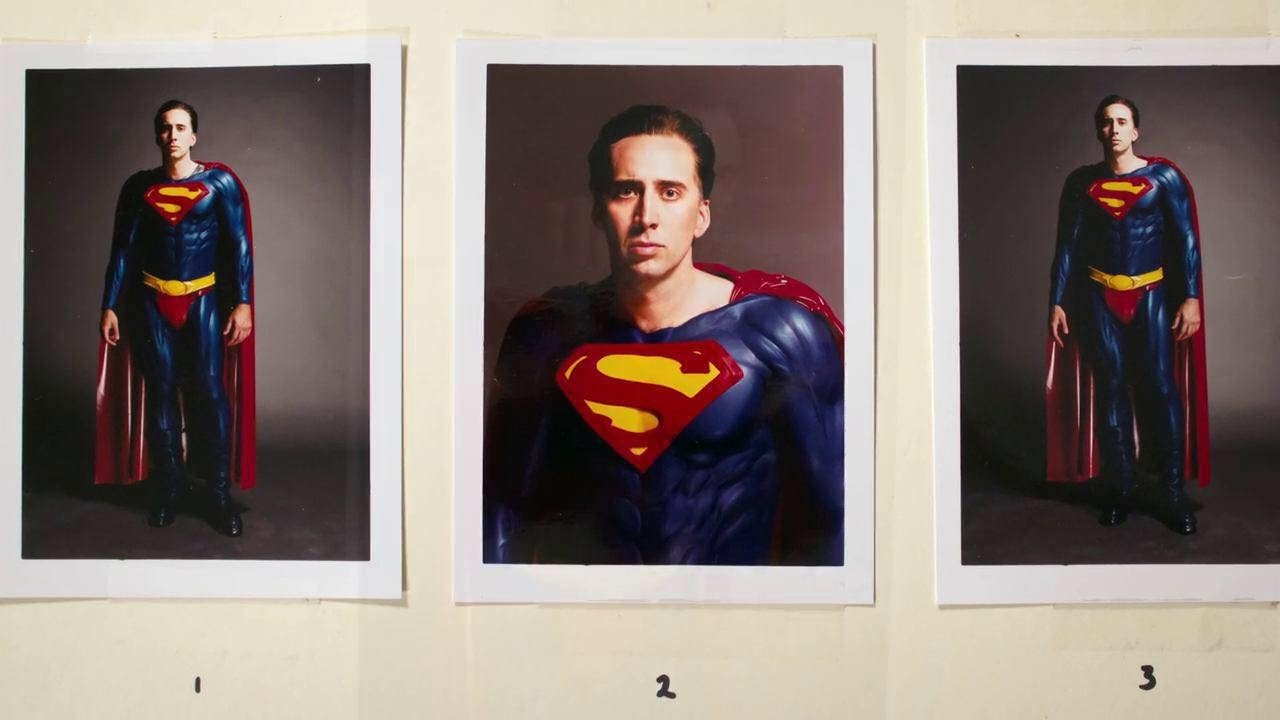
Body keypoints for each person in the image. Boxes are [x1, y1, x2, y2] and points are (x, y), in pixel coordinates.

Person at [483, 104, 844, 565]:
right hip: (588, 606)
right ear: (598, 210)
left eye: (670, 192)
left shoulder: (779, 334)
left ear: (701, 215)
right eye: (626, 191)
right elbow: (500, 515)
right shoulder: (545, 335)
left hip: (732, 605)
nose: (646, 216)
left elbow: (835, 522)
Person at [1046, 94, 1211, 535]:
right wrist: (1057, 301)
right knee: (1111, 388)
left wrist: (1191, 297)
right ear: (1098, 131)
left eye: (1122, 121)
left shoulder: (1163, 179)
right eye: (1106, 122)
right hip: (1099, 298)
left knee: (1160, 386)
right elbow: (1067, 245)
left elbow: (1186, 239)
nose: (1114, 129)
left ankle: (1172, 492)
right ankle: (1119, 489)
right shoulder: (1081, 183)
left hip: (1151, 295)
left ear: (1135, 130)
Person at [95, 99, 257, 537]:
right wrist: (110, 305)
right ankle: (168, 488)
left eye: (181, 127)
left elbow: (239, 244)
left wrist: (243, 302)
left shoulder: (219, 183)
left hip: (203, 300)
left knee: (210, 391)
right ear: (157, 135)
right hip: (152, 301)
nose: (173, 135)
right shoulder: (138, 187)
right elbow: (122, 250)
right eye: (166, 128)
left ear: (194, 135)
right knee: (161, 392)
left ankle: (219, 495)